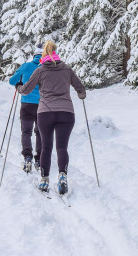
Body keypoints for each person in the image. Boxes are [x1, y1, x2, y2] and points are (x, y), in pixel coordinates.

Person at [19, 40, 86, 196]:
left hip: (45, 112)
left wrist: (19, 87)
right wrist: (81, 95)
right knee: (62, 147)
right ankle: (62, 175)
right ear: (56, 52)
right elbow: (80, 88)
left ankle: (44, 179)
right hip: (66, 112)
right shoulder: (67, 69)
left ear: (43, 54)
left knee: (46, 148)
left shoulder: (41, 70)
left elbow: (26, 90)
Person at [9, 43, 43, 173]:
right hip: (42, 105)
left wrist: (19, 83)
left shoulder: (26, 66)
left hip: (27, 104)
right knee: (40, 132)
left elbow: (12, 81)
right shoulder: (46, 68)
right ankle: (39, 159)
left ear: (34, 55)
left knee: (26, 132)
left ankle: (27, 157)